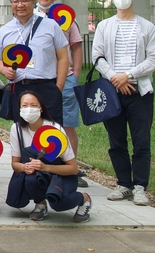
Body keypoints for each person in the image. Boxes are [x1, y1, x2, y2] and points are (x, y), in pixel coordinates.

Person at [91, 0, 155, 207]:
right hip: (112, 92)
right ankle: (123, 183)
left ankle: (140, 186)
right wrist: (115, 77)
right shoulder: (104, 26)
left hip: (139, 92)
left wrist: (128, 76)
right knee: (116, 141)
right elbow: (97, 57)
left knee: (141, 141)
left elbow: (154, 59)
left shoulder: (147, 27)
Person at [6, 91, 92, 222]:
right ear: (19, 108)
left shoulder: (55, 129)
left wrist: (45, 167)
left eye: (33, 105)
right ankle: (40, 203)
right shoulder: (16, 129)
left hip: (61, 174)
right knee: (30, 180)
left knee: (59, 203)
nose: (29, 109)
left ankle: (84, 198)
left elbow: (73, 168)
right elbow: (15, 164)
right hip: (37, 174)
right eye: (25, 105)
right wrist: (24, 167)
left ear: (41, 108)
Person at [0, 0, 69, 123]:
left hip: (47, 87)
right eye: (15, 1)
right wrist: (4, 70)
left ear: (33, 2)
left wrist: (59, 87)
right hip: (19, 88)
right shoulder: (4, 31)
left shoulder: (51, 26)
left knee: (52, 131)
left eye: (25, 0)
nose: (20, 5)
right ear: (11, 4)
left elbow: (63, 57)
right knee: (23, 132)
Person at [33, 0, 85, 173]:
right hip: (41, 77)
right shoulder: (31, 17)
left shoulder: (68, 19)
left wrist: (76, 74)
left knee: (68, 124)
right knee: (39, 123)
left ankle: (71, 167)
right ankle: (41, 163)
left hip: (66, 78)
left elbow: (76, 46)